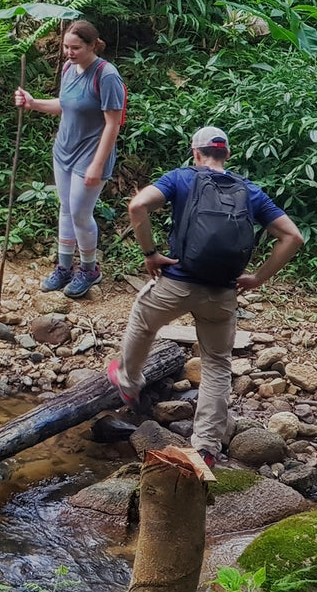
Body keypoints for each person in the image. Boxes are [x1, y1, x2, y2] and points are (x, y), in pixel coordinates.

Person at [110, 126, 303, 467]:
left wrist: (151, 253)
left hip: (175, 285)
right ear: (226, 154)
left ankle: (128, 383)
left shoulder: (181, 178)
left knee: (143, 320)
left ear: (195, 152)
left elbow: (137, 205)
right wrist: (258, 278)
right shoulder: (250, 192)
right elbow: (292, 237)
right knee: (216, 364)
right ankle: (205, 449)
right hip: (221, 294)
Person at [14, 19, 126, 299]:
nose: (68, 52)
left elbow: (113, 123)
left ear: (92, 45)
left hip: (91, 155)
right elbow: (65, 106)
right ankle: (64, 266)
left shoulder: (107, 75)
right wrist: (33, 103)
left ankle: (89, 269)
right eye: (66, 46)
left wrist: (98, 165)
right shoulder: (68, 69)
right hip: (64, 150)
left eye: (75, 47)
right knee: (65, 209)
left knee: (79, 212)